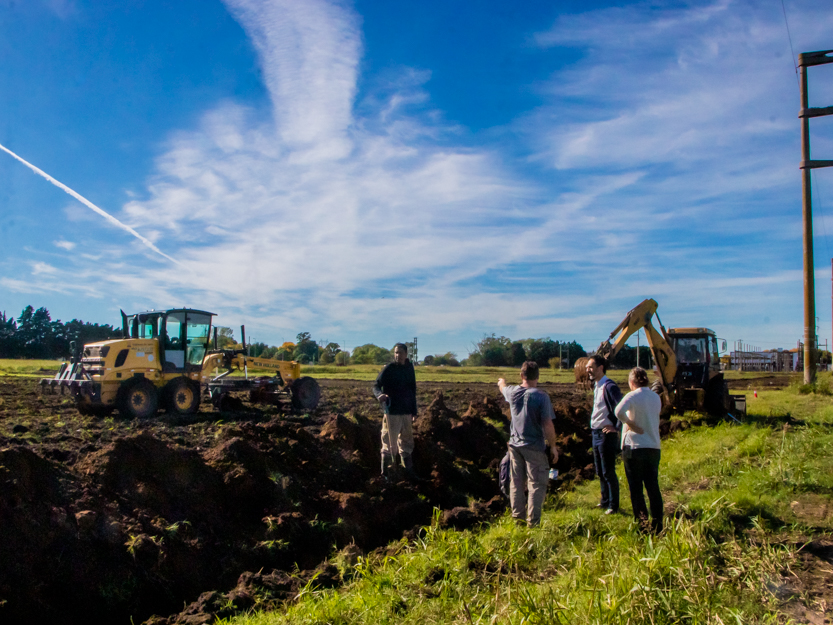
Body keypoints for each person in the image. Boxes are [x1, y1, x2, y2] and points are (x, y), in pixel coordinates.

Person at [498, 361, 558, 528]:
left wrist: (501, 381)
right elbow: (547, 424)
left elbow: (503, 388)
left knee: (516, 483)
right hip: (534, 447)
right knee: (536, 484)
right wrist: (553, 446)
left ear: (521, 375)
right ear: (537, 377)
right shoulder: (541, 397)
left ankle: (518, 520)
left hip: (515, 446)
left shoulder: (512, 393)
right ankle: (533, 523)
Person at [614, 366, 663, 533]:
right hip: (653, 447)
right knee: (653, 487)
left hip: (634, 447)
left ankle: (643, 527)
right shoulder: (656, 397)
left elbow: (618, 411)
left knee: (636, 489)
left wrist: (630, 423)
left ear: (631, 382)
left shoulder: (632, 396)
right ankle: (658, 525)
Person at [372, 343, 418, 478]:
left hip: (406, 411)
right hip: (392, 411)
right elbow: (376, 385)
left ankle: (408, 471)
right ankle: (386, 474)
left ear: (406, 354)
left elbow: (412, 390)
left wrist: (414, 411)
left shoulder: (410, 369)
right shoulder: (389, 369)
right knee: (389, 443)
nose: (397, 355)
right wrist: (379, 395)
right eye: (395, 353)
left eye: (400, 352)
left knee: (407, 441)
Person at [585, 355, 623, 514]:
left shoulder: (609, 386)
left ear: (601, 368)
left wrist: (617, 427)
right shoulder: (597, 386)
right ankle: (605, 500)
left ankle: (614, 505)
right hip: (596, 433)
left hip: (606, 434)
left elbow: (622, 408)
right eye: (587, 368)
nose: (588, 370)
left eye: (591, 367)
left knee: (608, 471)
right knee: (600, 470)